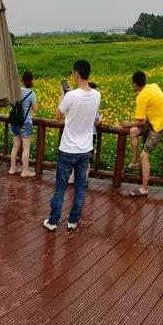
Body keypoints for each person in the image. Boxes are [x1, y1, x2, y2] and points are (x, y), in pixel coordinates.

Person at [43, 60, 100, 232]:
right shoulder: (97, 95)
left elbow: (58, 116)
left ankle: (53, 222)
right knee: (80, 187)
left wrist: (62, 95)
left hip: (68, 148)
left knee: (60, 187)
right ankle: (73, 221)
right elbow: (95, 118)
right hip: (85, 149)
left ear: (76, 74)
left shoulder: (70, 96)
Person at [122, 71, 163, 198]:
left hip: (161, 125)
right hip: (158, 120)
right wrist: (132, 126)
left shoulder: (141, 97)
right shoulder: (153, 86)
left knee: (144, 155)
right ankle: (134, 162)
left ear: (135, 84)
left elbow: (140, 122)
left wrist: (126, 124)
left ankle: (144, 189)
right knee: (133, 132)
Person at [9, 71, 37, 177]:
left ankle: (12, 168)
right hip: (25, 123)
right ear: (32, 81)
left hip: (15, 122)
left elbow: (12, 104)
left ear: (22, 80)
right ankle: (25, 171)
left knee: (15, 146)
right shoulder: (31, 93)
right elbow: (36, 109)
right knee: (26, 148)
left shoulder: (16, 92)